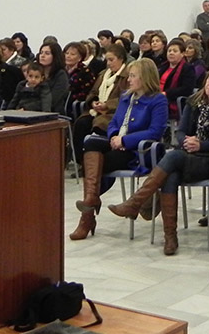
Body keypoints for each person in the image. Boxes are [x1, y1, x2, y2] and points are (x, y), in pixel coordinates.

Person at [109, 65, 209, 254]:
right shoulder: (194, 101)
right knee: (171, 175)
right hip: (188, 156)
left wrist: (201, 144)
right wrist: (185, 141)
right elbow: (179, 131)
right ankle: (170, 236)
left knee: (173, 156)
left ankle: (136, 202)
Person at [71, 58, 169, 241]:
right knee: (91, 143)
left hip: (137, 151)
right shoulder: (126, 96)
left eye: (133, 76)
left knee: (96, 165)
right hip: (117, 142)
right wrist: (114, 136)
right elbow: (114, 121)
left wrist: (125, 140)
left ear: (145, 78)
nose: (129, 79)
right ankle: (91, 201)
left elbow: (155, 131)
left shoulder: (158, 100)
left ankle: (87, 216)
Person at [72, 43, 129, 165]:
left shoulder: (127, 76)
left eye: (111, 60)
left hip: (113, 113)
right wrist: (93, 102)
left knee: (99, 126)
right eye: (106, 59)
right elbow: (93, 92)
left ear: (121, 59)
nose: (108, 63)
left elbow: (126, 98)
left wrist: (107, 105)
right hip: (97, 110)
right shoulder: (103, 74)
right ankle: (81, 160)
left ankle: (95, 161)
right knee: (81, 124)